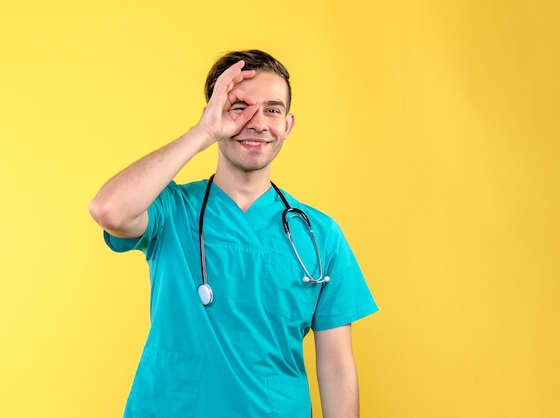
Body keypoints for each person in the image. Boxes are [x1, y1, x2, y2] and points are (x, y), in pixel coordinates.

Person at [89, 49, 378, 418]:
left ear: (288, 125)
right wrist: (203, 132)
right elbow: (108, 210)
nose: (258, 123)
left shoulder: (320, 235)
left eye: (272, 110)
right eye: (240, 106)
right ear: (215, 113)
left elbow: (337, 370)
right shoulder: (172, 210)